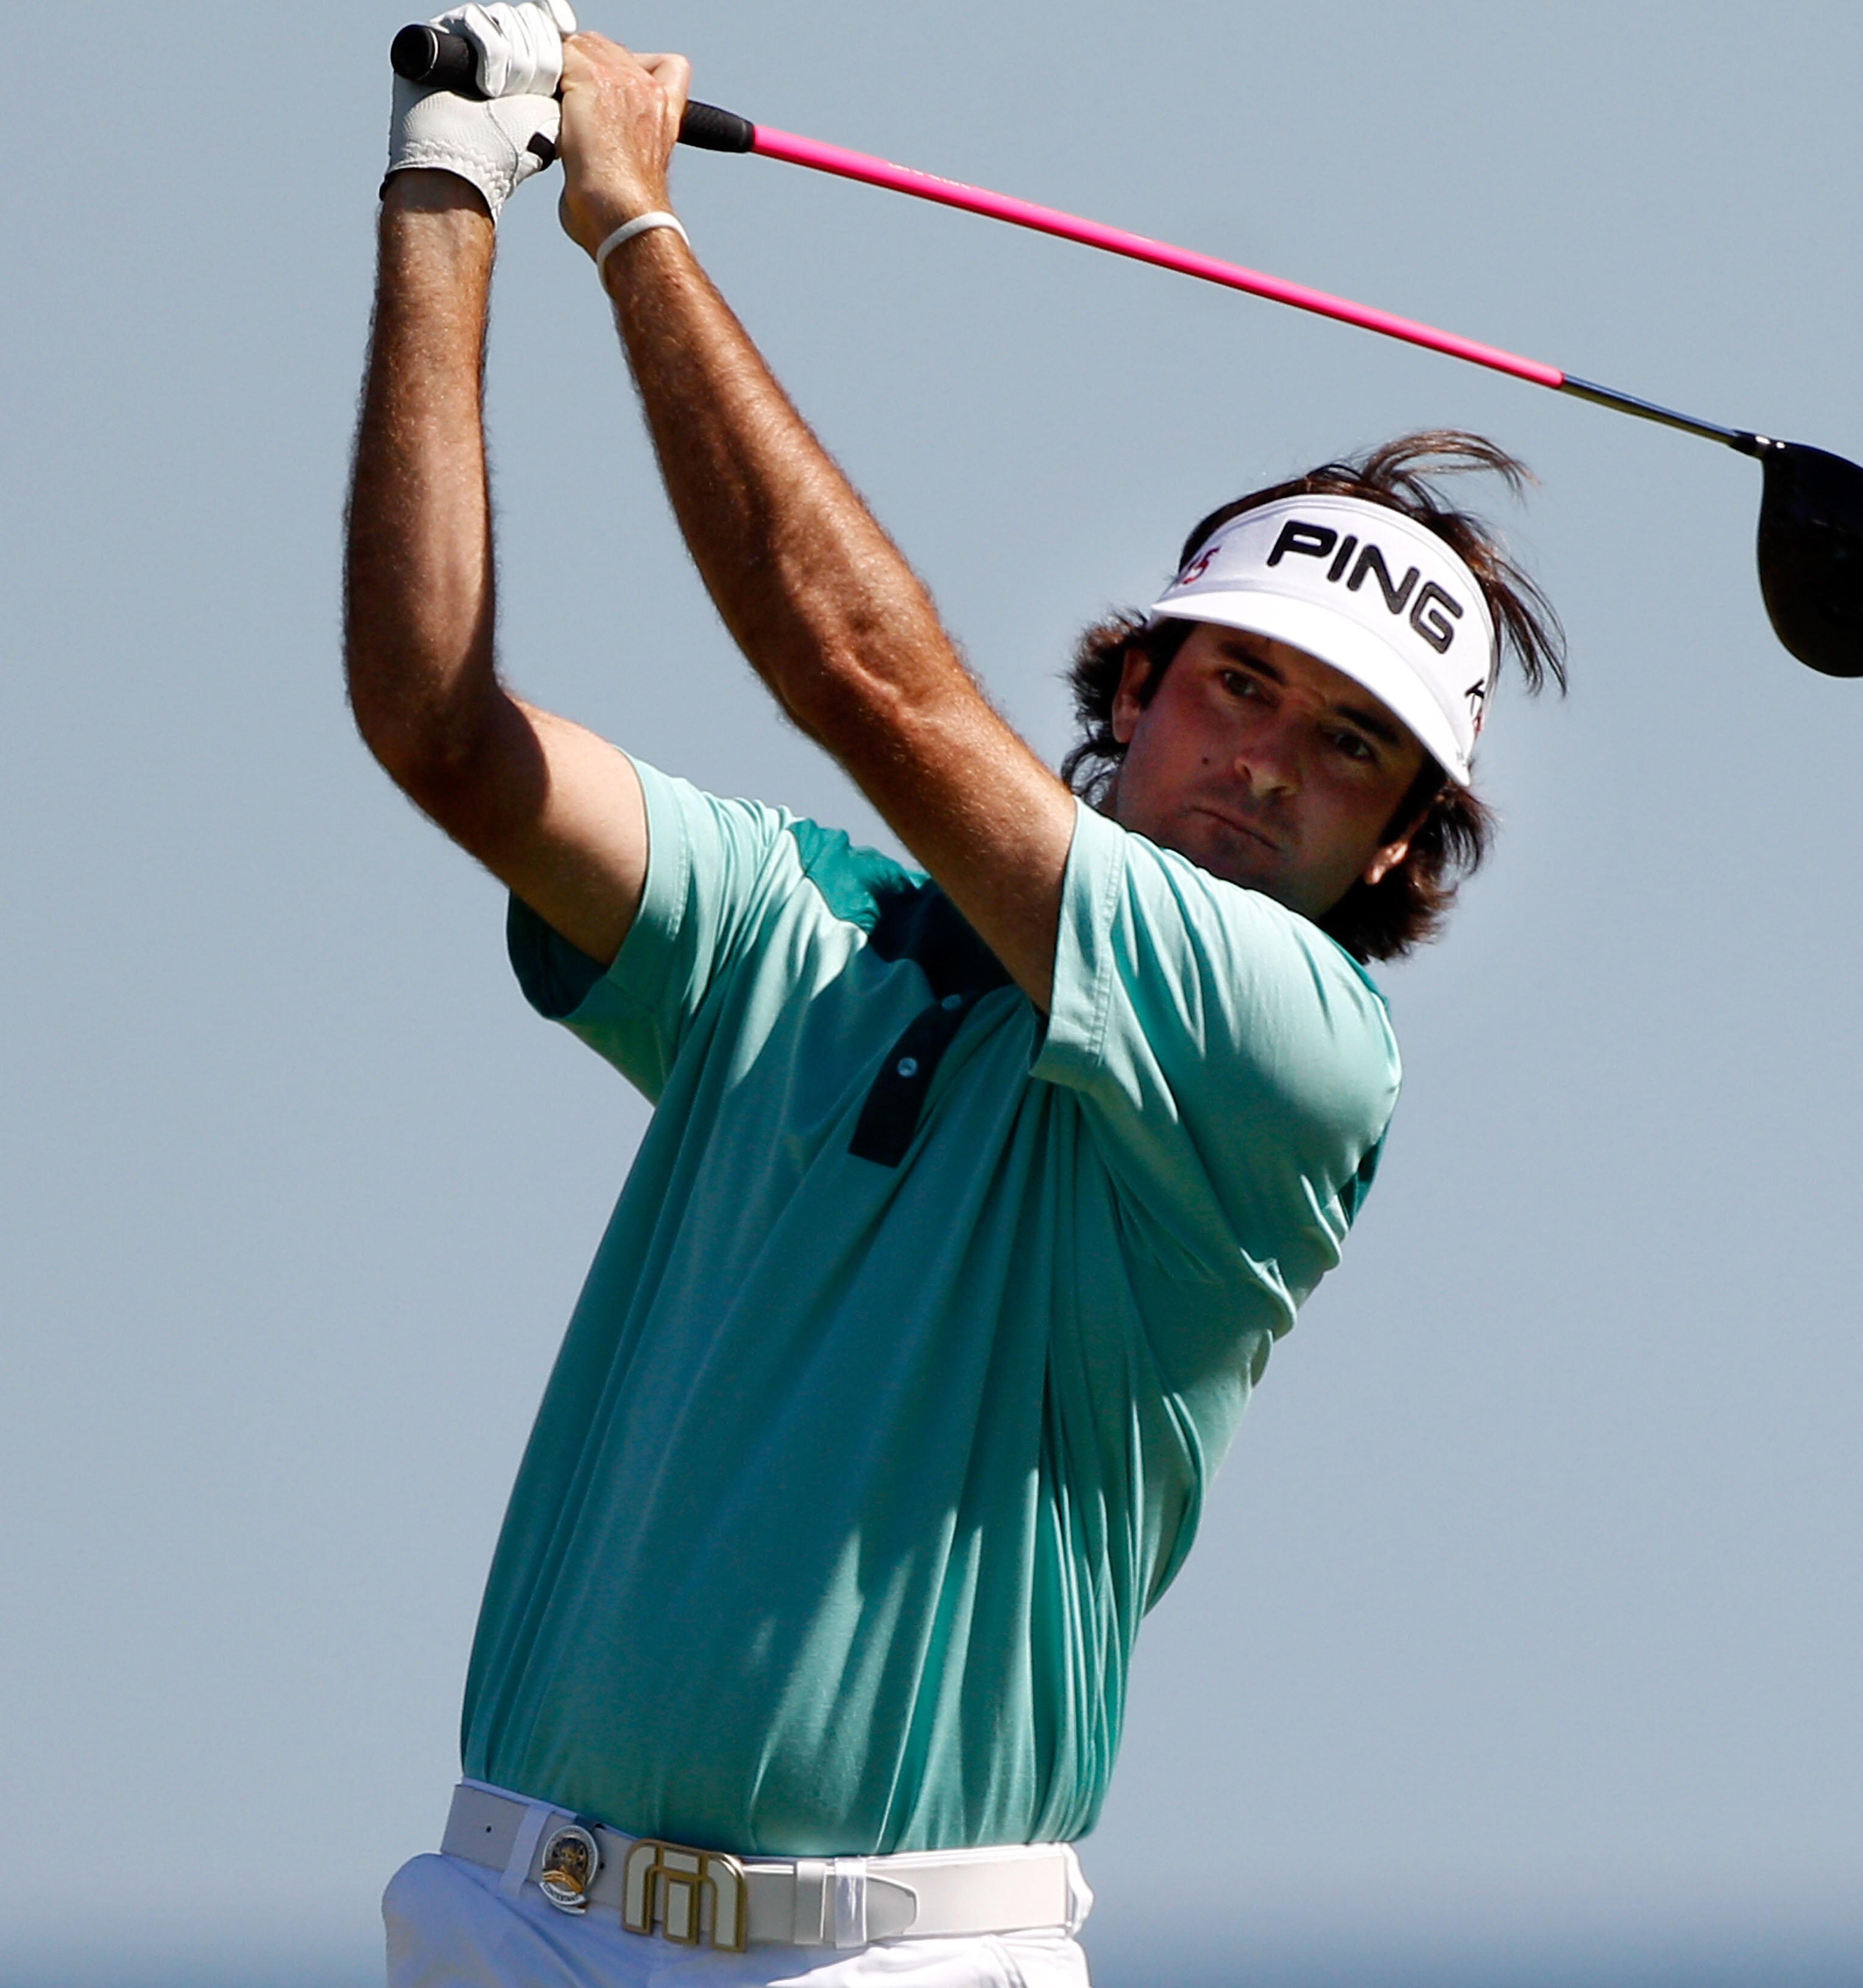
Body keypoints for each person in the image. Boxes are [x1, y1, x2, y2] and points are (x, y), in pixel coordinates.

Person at [343, 12, 1563, 1985]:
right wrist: (448, 193)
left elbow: (863, 678)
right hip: (511, 1922)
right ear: (1136, 691)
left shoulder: (1294, 1065)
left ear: (1399, 854)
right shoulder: (804, 928)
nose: (1262, 764)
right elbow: (442, 733)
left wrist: (636, 225)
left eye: (1348, 746)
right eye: (1236, 685)